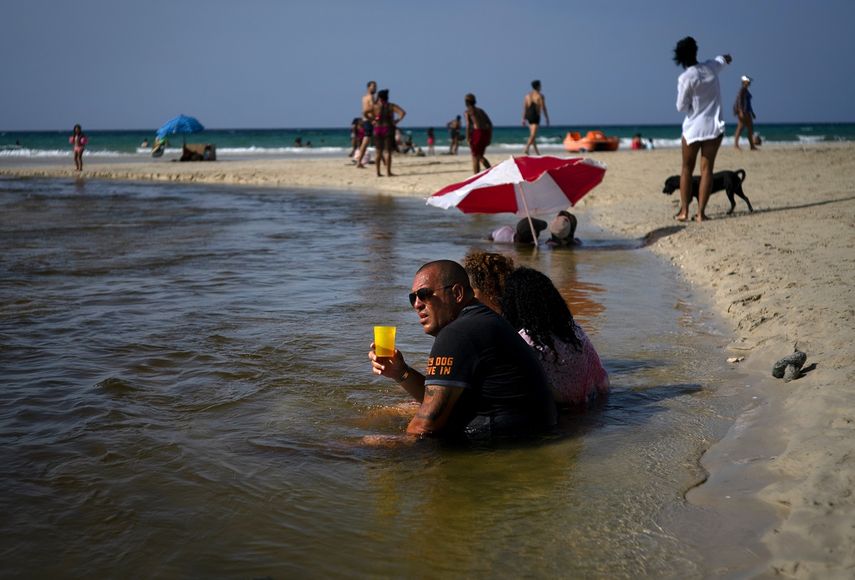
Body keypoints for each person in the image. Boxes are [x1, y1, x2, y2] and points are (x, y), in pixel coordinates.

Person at [367, 260, 557, 439]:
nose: (417, 304)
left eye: (424, 294)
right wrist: (401, 373)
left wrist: (358, 451)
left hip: (501, 450)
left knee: (373, 443)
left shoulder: (457, 333)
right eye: (413, 298)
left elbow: (425, 427)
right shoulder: (482, 320)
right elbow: (436, 401)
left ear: (457, 293)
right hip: (532, 439)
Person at [501, 267, 610, 406]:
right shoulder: (574, 330)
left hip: (559, 416)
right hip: (590, 405)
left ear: (512, 304)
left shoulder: (524, 342)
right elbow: (602, 382)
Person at [673, 36, 733, 222]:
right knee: (707, 170)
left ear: (680, 57)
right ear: (696, 52)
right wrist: (727, 57)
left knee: (686, 169)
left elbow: (681, 107)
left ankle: (684, 211)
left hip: (693, 129)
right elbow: (724, 59)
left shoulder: (685, 77)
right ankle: (701, 213)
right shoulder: (711, 67)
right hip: (714, 127)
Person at [372, 89, 406, 177]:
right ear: (387, 97)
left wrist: (372, 120)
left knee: (378, 152)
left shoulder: (375, 106)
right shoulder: (391, 106)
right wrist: (397, 121)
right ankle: (388, 172)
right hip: (388, 128)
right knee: (387, 152)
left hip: (377, 129)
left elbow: (365, 112)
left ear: (379, 97)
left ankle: (377, 173)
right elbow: (403, 113)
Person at [464, 93, 493, 174]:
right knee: (480, 156)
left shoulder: (468, 112)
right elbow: (490, 124)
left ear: (466, 102)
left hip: (477, 133)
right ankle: (491, 170)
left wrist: (467, 137)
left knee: (475, 157)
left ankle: (475, 176)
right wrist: (489, 137)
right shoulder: (481, 111)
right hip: (485, 133)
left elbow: (468, 125)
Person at [522, 80, 549, 155]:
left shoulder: (527, 96)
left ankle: (537, 153)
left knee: (532, 135)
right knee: (533, 135)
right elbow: (543, 107)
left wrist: (523, 119)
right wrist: (547, 118)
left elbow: (525, 108)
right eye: (540, 85)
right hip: (535, 116)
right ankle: (526, 148)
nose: (541, 87)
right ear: (538, 86)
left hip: (528, 116)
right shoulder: (540, 96)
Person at [356, 80, 377, 168]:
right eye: (373, 86)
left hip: (366, 120)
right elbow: (372, 108)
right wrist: (375, 119)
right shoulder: (371, 97)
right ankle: (359, 161)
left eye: (376, 86)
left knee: (374, 140)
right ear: (368, 87)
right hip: (369, 120)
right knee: (366, 142)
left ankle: (383, 160)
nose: (375, 88)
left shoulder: (364, 97)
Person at [733, 75, 757, 150]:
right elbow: (739, 100)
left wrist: (752, 112)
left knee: (750, 129)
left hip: (747, 112)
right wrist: (740, 111)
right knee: (740, 128)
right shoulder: (742, 89)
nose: (749, 82)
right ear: (744, 82)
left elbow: (748, 103)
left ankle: (752, 146)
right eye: (748, 81)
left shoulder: (746, 90)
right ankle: (736, 145)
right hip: (743, 112)